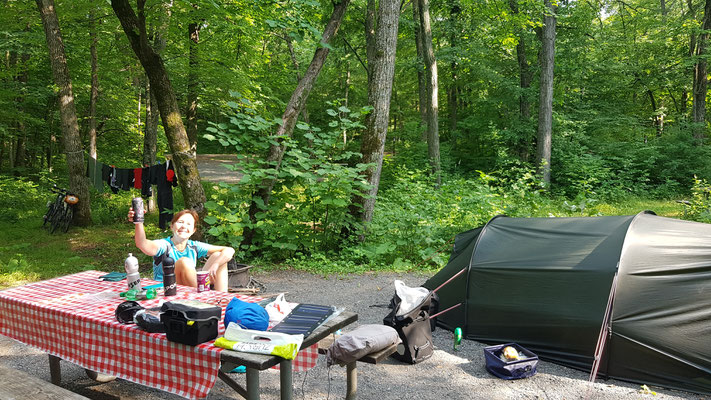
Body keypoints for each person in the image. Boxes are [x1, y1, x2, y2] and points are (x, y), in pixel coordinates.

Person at [128, 208, 234, 292]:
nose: (184, 226)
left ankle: (222, 298)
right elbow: (142, 244)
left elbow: (229, 250)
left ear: (193, 230)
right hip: (166, 290)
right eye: (180, 222)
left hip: (189, 288)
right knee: (184, 262)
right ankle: (204, 295)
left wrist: (216, 264)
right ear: (172, 226)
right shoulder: (164, 245)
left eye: (188, 224)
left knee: (218, 256)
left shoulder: (194, 246)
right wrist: (138, 222)